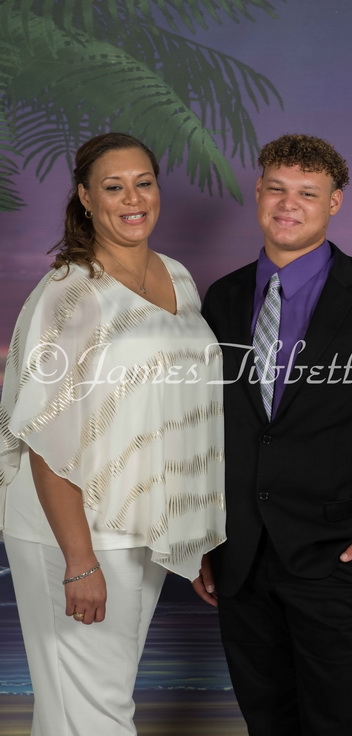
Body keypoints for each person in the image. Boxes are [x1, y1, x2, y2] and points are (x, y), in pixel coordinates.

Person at [193, 133, 352, 735]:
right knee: (268, 724)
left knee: (341, 726)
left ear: (334, 202)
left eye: (308, 193)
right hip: (241, 559)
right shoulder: (223, 299)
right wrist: (201, 537)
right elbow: (207, 427)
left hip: (342, 559)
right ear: (259, 193)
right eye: (277, 189)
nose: (289, 204)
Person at [0, 132, 226, 736]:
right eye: (113, 187)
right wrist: (80, 561)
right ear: (85, 197)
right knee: (94, 711)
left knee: (83, 705)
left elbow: (178, 412)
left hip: (141, 523)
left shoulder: (176, 277)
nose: (133, 199)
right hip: (75, 530)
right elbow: (45, 434)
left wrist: (195, 532)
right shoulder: (71, 294)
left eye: (143, 183)